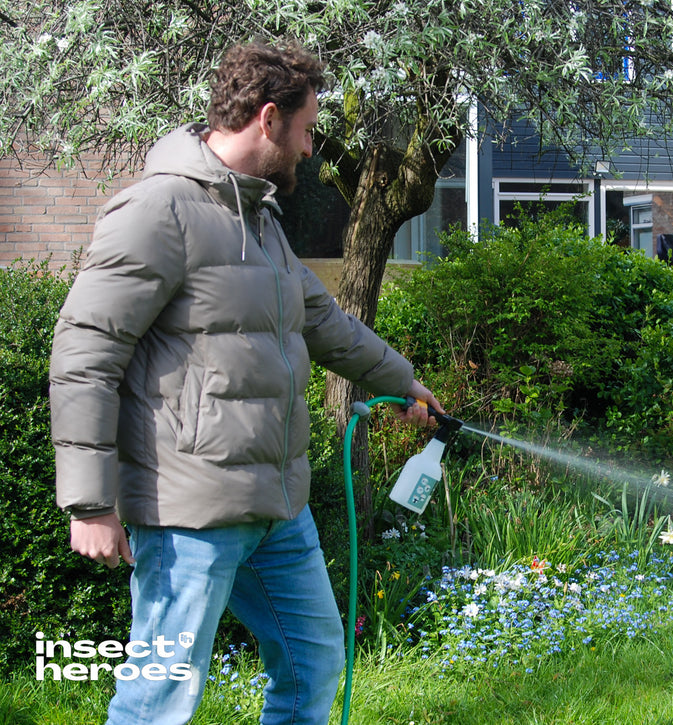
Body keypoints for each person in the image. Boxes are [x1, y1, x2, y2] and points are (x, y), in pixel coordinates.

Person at [49, 40, 441, 724]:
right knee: (159, 698)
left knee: (314, 664)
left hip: (277, 506)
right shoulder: (158, 211)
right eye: (308, 129)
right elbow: (86, 351)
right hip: (189, 511)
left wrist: (404, 380)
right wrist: (89, 503)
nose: (311, 149)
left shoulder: (259, 218)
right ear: (268, 118)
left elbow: (324, 323)